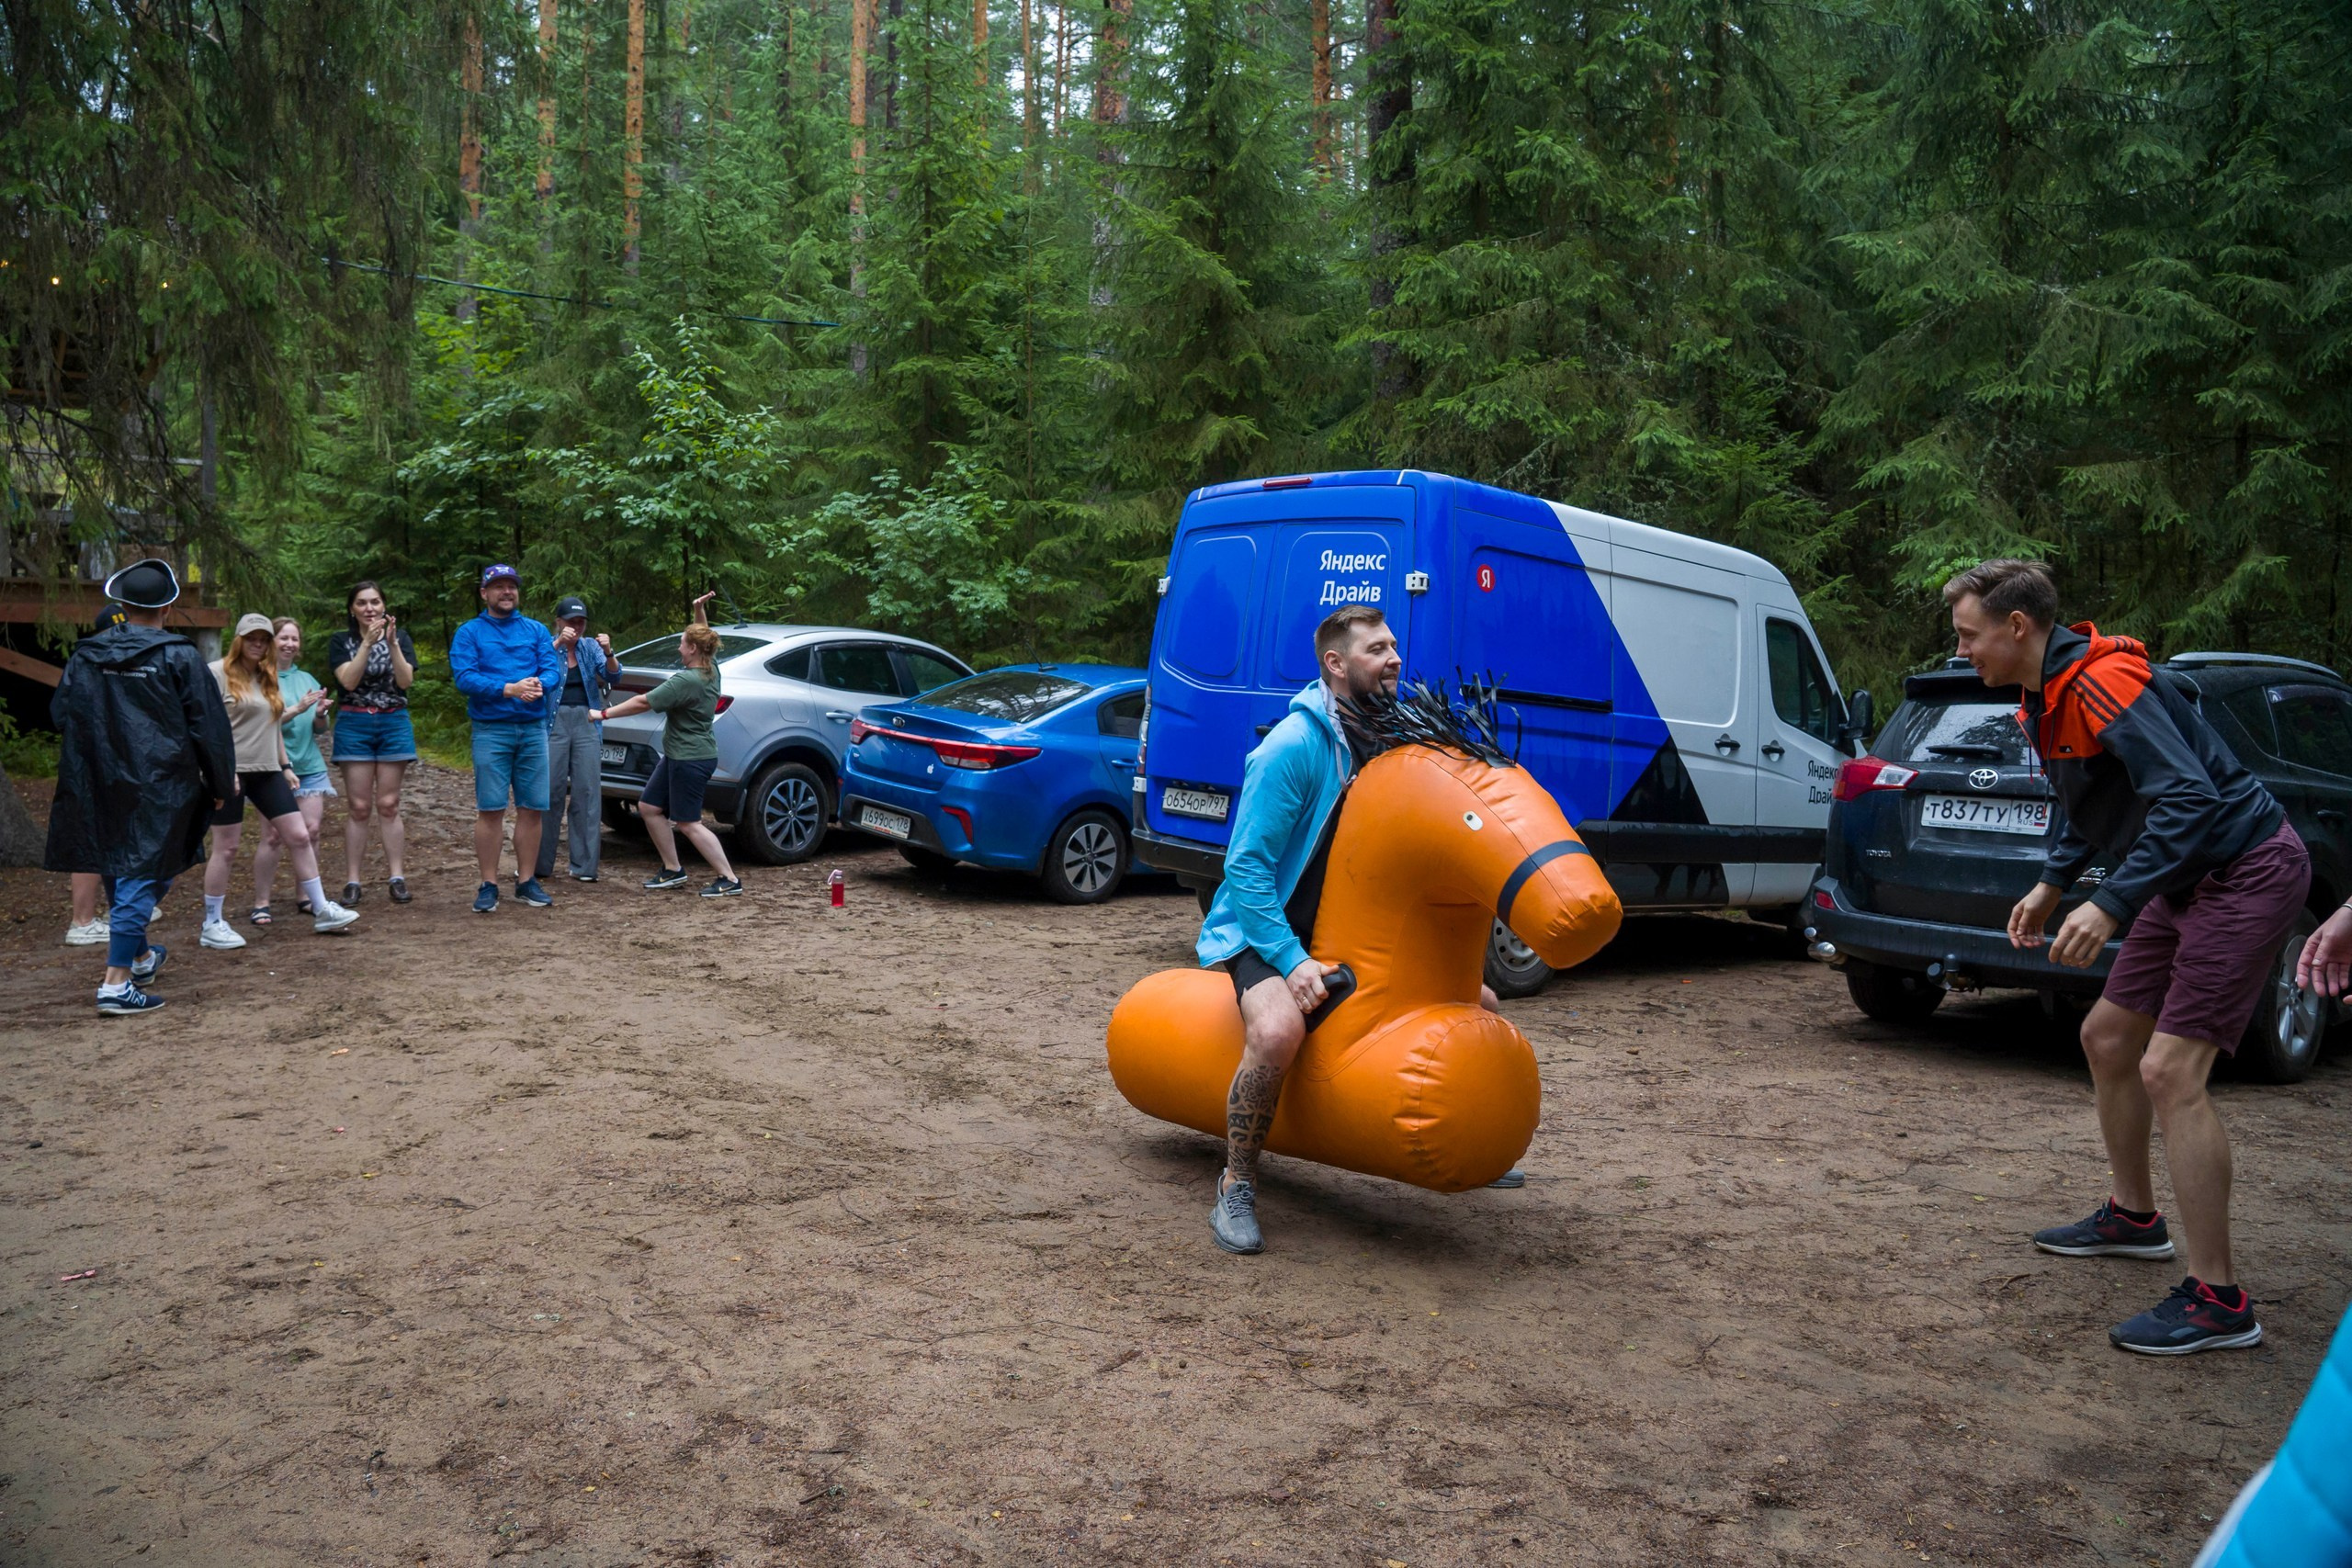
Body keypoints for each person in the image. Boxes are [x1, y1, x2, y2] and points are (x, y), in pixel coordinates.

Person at [1946, 559, 2312, 1355]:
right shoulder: (2044, 697)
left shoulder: (2106, 683)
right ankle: (2134, 1217)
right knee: (2108, 1037)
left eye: (1970, 636)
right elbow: (2094, 805)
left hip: (2245, 870)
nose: (1963, 651)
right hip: (2182, 876)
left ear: (2018, 627)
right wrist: (2051, 886)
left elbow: (2190, 797)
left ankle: (2221, 1300)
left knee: (2172, 1070)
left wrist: (2111, 899)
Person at [1193, 605, 1510, 1256]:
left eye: (1395, 645)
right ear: (1336, 664)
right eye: (1376, 649)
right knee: (1279, 1028)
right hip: (1264, 927)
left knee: (1482, 1004)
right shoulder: (1292, 747)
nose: (1395, 657)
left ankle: (1482, 1141)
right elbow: (1246, 869)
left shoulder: (1397, 740)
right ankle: (1237, 1182)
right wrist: (1289, 959)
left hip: (1345, 930)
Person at [42, 558, 235, 1013]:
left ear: (123, 606)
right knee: (144, 873)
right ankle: (116, 983)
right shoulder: (180, 655)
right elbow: (209, 727)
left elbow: (60, 714)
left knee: (118, 861)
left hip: (99, 778)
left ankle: (141, 956)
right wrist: (222, 781)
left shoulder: (87, 654)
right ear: (167, 609)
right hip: (160, 782)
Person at [198, 615, 361, 947]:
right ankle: (212, 923)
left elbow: (272, 724)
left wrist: (285, 766)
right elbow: (205, 725)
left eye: (264, 639)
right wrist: (220, 768)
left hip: (268, 768)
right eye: (251, 638)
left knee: (300, 835)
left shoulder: (266, 675)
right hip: (229, 770)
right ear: (239, 639)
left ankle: (321, 909)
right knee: (227, 847)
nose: (258, 644)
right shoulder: (216, 673)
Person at [591, 615, 741, 897]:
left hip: (691, 759)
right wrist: (699, 611)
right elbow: (705, 637)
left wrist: (603, 714)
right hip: (678, 755)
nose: (679, 648)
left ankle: (729, 878)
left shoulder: (688, 680)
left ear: (694, 649)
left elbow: (642, 702)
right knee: (648, 807)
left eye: (683, 643)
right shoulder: (712, 669)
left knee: (688, 823)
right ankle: (673, 869)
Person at [449, 563, 562, 914]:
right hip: (491, 729)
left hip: (533, 729)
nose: (506, 592)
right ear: (485, 593)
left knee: (532, 809)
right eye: (498, 586)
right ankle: (489, 883)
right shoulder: (469, 633)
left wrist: (537, 684)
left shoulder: (536, 630)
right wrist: (507, 689)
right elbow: (464, 677)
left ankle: (526, 881)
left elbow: (552, 669)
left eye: (511, 586)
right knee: (491, 808)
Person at [327, 581, 418, 905]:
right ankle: (353, 880)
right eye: (362, 603)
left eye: (375, 602)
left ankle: (397, 876)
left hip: (393, 721)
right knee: (359, 807)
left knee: (389, 804)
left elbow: (406, 681)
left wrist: (392, 644)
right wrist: (366, 645)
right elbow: (348, 681)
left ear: (384, 606)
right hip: (355, 722)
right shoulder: (342, 641)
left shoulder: (402, 638)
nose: (370, 608)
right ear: (352, 609)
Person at [250, 617, 334, 923]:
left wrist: (321, 714)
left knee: (310, 833)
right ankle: (262, 902)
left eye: (294, 639)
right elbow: (259, 724)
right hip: (269, 768)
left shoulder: (307, 678)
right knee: (272, 836)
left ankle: (307, 898)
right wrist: (297, 709)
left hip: (310, 766)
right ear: (272, 641)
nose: (289, 644)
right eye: (283, 637)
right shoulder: (259, 677)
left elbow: (319, 730)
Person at [535, 594, 622, 884]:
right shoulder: (547, 645)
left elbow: (615, 676)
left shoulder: (589, 647)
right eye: (571, 621)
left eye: (581, 621)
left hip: (587, 721)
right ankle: (538, 865)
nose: (577, 626)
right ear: (558, 622)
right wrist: (558, 644)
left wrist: (609, 652)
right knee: (549, 792)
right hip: (553, 723)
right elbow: (530, 672)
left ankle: (584, 867)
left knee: (586, 792)